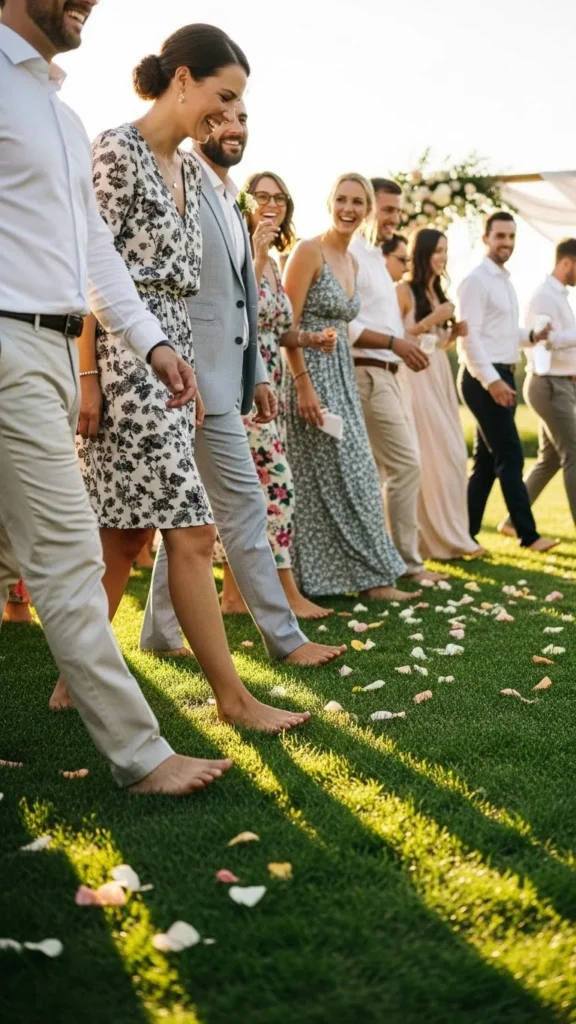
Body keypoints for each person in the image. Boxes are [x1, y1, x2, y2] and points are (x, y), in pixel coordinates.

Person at [50, 23, 312, 735]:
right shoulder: (116, 150)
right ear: (183, 78)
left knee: (124, 540)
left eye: (238, 107)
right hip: (123, 363)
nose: (227, 118)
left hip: (174, 362)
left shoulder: (193, 175)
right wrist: (89, 379)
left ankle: (71, 680)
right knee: (192, 534)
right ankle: (234, 699)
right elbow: (90, 271)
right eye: (221, 99)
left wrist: (194, 363)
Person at [0, 0, 232, 794]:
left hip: (57, 347)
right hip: (9, 343)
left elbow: (96, 251)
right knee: (72, 555)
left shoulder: (58, 114)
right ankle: (143, 755)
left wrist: (156, 345)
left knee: (73, 551)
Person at [139, 107, 346, 666]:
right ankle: (286, 639)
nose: (235, 126)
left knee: (190, 514)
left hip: (230, 382)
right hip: (185, 378)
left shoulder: (229, 198)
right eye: (222, 113)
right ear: (194, 114)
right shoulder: (174, 176)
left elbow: (245, 306)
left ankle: (158, 633)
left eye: (243, 116)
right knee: (244, 509)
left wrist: (254, 373)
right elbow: (169, 290)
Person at [282, 173, 418, 600]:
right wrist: (304, 386)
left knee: (351, 478)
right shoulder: (308, 251)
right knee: (335, 478)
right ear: (328, 202)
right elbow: (285, 327)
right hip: (309, 376)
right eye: (341, 199)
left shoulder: (354, 262)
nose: (349, 209)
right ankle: (369, 581)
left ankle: (355, 579)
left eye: (357, 202)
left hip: (342, 373)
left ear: (368, 210)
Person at [214, 169, 338, 619]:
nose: (271, 204)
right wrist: (256, 251)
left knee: (258, 490)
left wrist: (308, 340)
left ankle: (233, 595)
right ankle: (284, 593)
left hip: (273, 391)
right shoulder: (238, 250)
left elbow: (276, 330)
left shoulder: (275, 261)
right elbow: (233, 314)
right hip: (238, 385)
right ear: (244, 203)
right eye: (260, 196)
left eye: (279, 198)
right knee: (272, 488)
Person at [348, 178, 448, 581]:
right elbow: (347, 323)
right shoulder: (352, 253)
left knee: (383, 471)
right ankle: (407, 563)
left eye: (396, 211)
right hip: (367, 372)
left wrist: (406, 346)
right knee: (405, 466)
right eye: (387, 210)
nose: (394, 218)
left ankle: (387, 561)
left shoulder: (374, 257)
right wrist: (395, 343)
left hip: (389, 372)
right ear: (370, 208)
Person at [457, 212, 558, 552]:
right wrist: (492, 382)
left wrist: (532, 335)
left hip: (503, 371)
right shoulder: (475, 281)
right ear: (485, 238)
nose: (507, 243)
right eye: (500, 236)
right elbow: (469, 341)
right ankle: (527, 535)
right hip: (482, 376)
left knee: (486, 463)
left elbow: (501, 333)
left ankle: (465, 535)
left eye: (511, 237)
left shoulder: (504, 281)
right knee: (511, 454)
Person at [396, 228, 483, 559]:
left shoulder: (438, 292)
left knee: (452, 455)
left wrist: (452, 335)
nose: (442, 257)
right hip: (416, 379)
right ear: (422, 254)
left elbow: (434, 344)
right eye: (437, 250)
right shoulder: (402, 290)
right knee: (431, 455)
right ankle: (430, 540)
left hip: (439, 377)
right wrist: (434, 318)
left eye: (446, 250)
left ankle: (452, 534)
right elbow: (400, 335)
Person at [500, 238, 576, 535]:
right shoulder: (545, 296)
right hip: (548, 385)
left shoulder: (561, 297)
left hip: (561, 383)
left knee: (551, 458)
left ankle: (512, 521)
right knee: (574, 452)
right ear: (567, 262)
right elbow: (545, 342)